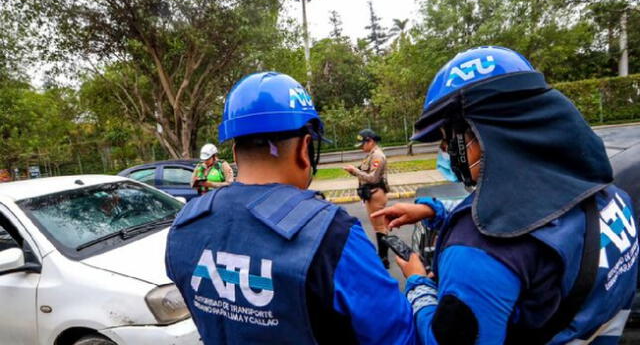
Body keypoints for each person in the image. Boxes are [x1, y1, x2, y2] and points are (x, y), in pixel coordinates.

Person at [372, 46, 638, 344]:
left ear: (485, 129)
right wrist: (436, 212)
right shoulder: (613, 198)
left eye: (448, 137)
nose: (444, 150)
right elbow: (543, 224)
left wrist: (418, 284)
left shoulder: (476, 252)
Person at [165, 72, 417, 344]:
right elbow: (398, 336)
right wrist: (418, 285)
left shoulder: (184, 225)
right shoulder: (333, 235)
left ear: (235, 154)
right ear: (304, 148)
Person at [343, 129, 391, 268]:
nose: (361, 147)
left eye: (363, 144)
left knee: (380, 227)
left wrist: (355, 171)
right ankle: (382, 256)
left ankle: (383, 258)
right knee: (379, 226)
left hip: (376, 194)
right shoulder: (371, 154)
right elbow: (365, 172)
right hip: (372, 194)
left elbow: (373, 177)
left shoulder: (377, 156)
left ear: (370, 141)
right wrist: (354, 172)